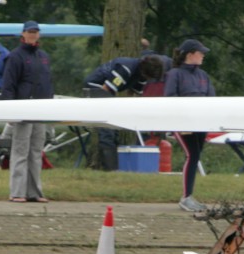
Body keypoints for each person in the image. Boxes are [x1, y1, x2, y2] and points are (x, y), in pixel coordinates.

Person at [0, 20, 53, 203]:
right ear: (23, 34)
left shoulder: (43, 56)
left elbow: (48, 83)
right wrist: (9, 110)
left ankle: (34, 192)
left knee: (36, 151)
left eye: (35, 32)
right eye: (29, 32)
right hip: (23, 108)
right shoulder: (15, 56)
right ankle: (17, 192)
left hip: (41, 109)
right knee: (20, 150)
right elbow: (8, 85)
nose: (32, 35)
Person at [83, 55, 164, 171]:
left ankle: (116, 166)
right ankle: (111, 169)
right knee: (107, 131)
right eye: (148, 76)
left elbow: (133, 94)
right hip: (95, 88)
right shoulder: (125, 69)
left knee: (114, 131)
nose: (147, 79)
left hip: (107, 93)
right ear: (144, 70)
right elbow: (106, 90)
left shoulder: (141, 75)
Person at [165, 39, 215, 212]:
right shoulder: (175, 74)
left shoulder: (203, 75)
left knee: (195, 157)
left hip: (201, 122)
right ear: (190, 54)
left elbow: (211, 99)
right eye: (200, 52)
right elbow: (170, 97)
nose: (203, 56)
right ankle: (186, 198)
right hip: (183, 122)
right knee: (192, 155)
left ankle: (188, 196)